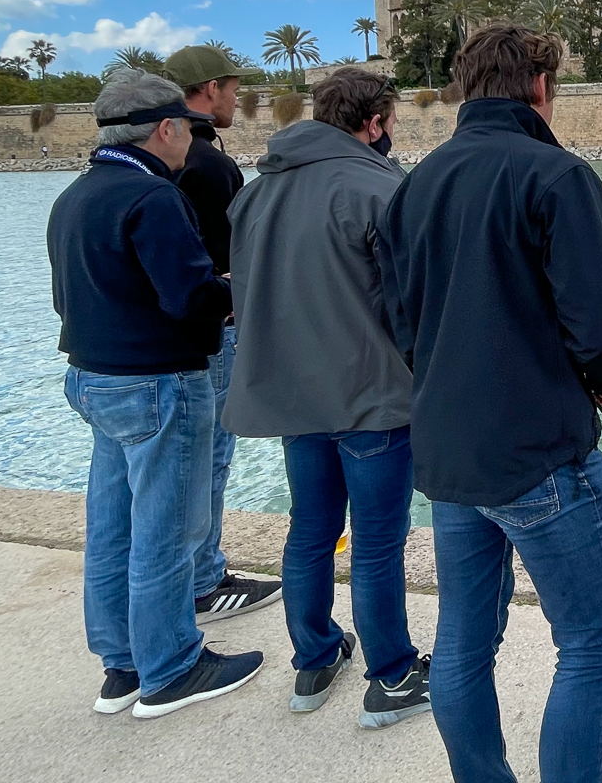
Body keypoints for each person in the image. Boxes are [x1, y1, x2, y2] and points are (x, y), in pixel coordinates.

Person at [377, 23, 602, 783]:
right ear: (541, 87)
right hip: (537, 456)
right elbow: (600, 326)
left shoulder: (412, 188)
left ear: (463, 89)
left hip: (449, 454)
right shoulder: (557, 176)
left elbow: (402, 325)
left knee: (461, 643)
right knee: (592, 645)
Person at [47, 69, 262, 719]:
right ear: (164, 129)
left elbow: (68, 296)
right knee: (169, 528)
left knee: (112, 528)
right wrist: (239, 290)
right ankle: (172, 666)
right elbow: (192, 300)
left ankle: (123, 664)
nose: (188, 144)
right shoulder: (153, 199)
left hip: (94, 380)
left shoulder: (76, 196)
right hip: (159, 382)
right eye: (186, 131)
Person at [223, 68, 430, 728]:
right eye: (389, 122)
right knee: (374, 541)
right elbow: (412, 305)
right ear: (374, 123)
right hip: (370, 398)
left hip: (293, 400)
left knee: (310, 531)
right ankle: (392, 676)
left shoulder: (255, 196)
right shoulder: (379, 186)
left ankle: (313, 661)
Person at [162, 43, 282, 624]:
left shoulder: (178, 161)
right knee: (208, 459)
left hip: (178, 334)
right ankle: (204, 580)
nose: (238, 98)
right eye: (233, 89)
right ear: (208, 89)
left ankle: (191, 573)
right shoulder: (208, 164)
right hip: (216, 327)